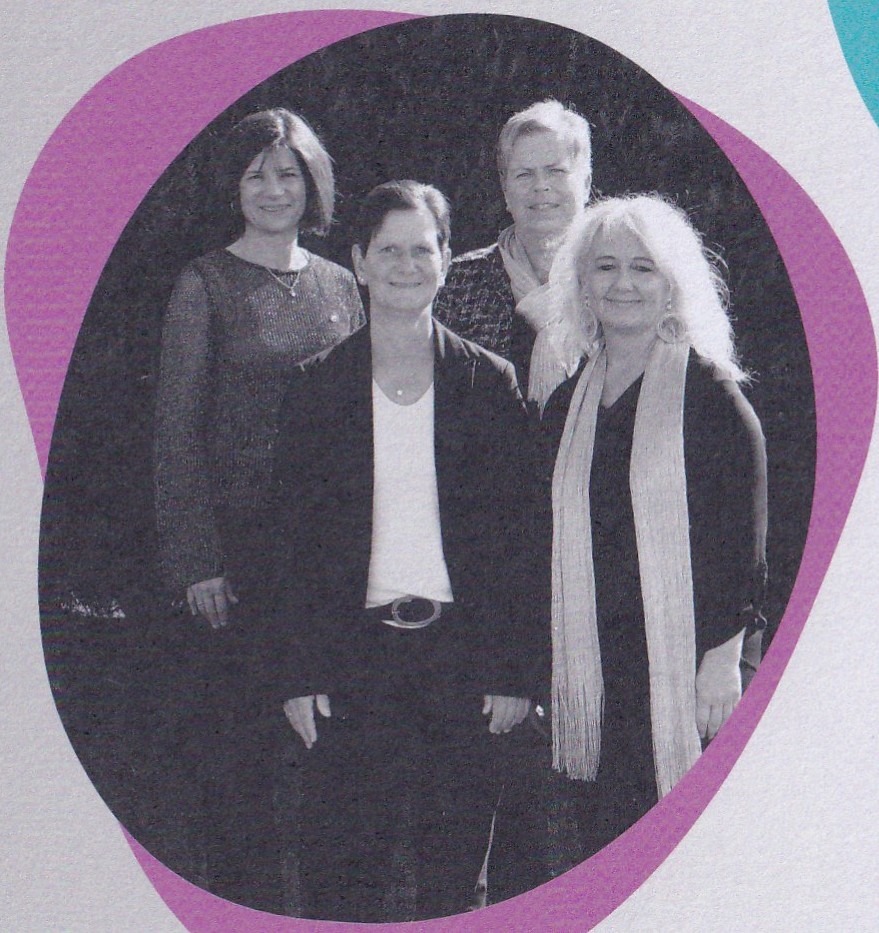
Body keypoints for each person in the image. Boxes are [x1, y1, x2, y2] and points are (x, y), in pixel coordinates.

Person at [261, 180, 549, 921]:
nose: (405, 265)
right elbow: (287, 547)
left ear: (447, 261)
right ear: (358, 261)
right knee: (340, 882)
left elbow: (520, 542)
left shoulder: (489, 383)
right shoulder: (315, 388)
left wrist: (514, 672)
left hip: (462, 666)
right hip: (349, 665)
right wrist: (297, 672)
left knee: (453, 886)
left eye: (422, 249)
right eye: (387, 250)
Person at [153, 107, 364, 911]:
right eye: (255, 175)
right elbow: (175, 432)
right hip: (236, 564)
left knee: (327, 760)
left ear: (313, 182)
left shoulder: (341, 285)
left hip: (326, 560)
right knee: (240, 762)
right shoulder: (203, 284)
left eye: (288, 173)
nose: (274, 190)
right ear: (232, 187)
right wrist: (196, 560)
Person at [547, 194, 768, 858]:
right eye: (605, 266)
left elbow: (742, 542)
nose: (623, 283)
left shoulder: (711, 397)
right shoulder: (567, 404)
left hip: (688, 667)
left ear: (673, 283)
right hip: (599, 663)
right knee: (606, 846)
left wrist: (723, 658)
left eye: (642, 268)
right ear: (583, 285)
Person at [434, 99, 592, 412]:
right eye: (524, 175)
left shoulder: (614, 280)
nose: (541, 186)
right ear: (505, 191)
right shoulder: (457, 284)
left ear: (586, 184)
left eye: (556, 171)